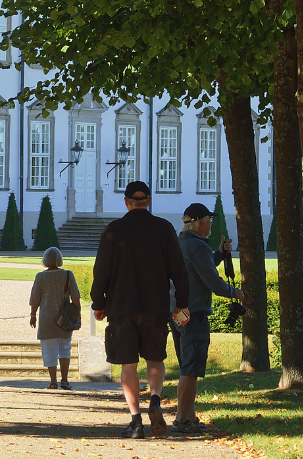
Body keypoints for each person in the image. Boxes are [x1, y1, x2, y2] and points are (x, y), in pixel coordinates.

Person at [92, 181, 189, 439]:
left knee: (128, 364)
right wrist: (182, 301)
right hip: (155, 306)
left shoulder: (113, 231)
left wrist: (98, 303)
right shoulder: (164, 229)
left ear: (126, 202)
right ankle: (155, 400)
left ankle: (135, 421)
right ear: (149, 201)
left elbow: (101, 271)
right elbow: (178, 270)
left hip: (122, 307)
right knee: (155, 358)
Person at [172, 202, 245, 434]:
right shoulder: (197, 246)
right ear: (200, 222)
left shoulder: (180, 242)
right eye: (209, 220)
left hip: (178, 312)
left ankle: (189, 416)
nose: (211, 223)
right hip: (195, 313)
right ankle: (181, 420)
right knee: (191, 369)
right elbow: (212, 281)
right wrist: (235, 293)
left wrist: (220, 254)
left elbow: (200, 268)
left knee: (187, 366)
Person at [29, 247, 81, 390]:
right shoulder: (68, 275)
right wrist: (78, 316)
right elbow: (75, 298)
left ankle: (53, 381)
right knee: (65, 348)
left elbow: (35, 299)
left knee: (48, 350)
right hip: (65, 318)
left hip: (46, 318)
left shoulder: (41, 276)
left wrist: (33, 315)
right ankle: (64, 380)